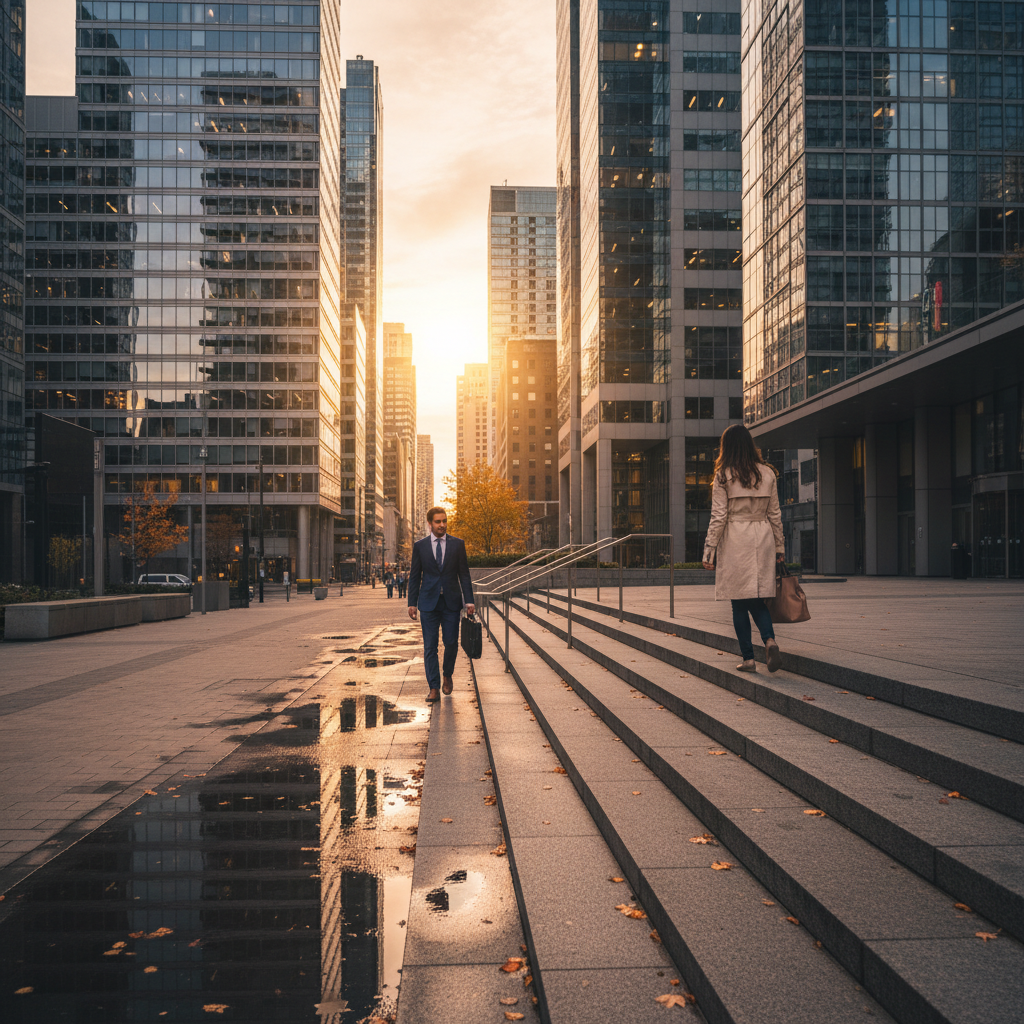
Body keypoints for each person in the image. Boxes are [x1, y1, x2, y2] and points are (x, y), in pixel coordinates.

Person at [702, 424, 785, 673]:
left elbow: (718, 516)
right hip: (763, 537)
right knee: (758, 598)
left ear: (726, 447)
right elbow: (775, 515)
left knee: (739, 602)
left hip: (736, 539)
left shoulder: (723, 476)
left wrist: (709, 552)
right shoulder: (767, 473)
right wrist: (779, 547)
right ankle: (769, 640)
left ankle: (748, 659)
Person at [408, 507, 475, 703]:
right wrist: (412, 603)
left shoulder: (457, 545)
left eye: (444, 521)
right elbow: (414, 576)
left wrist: (468, 600)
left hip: (451, 603)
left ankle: (447, 674)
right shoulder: (420, 546)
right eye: (438, 522)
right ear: (430, 524)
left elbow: (464, 574)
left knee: (451, 643)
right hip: (428, 603)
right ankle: (434, 687)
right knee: (430, 647)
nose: (442, 525)